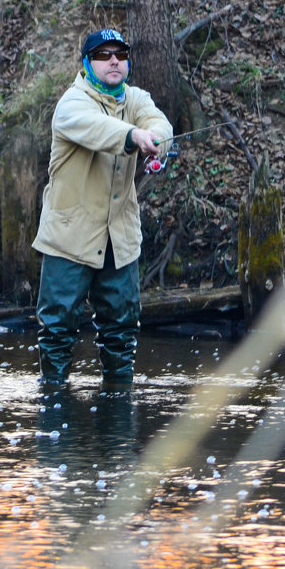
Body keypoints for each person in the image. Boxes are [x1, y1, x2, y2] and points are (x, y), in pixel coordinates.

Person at [32, 29, 172, 386]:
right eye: (104, 54)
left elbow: (159, 123)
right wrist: (133, 136)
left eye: (121, 54)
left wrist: (156, 139)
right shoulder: (71, 104)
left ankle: (117, 407)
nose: (114, 60)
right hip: (69, 237)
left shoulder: (136, 98)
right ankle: (54, 401)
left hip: (119, 237)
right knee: (58, 327)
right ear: (87, 63)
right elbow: (96, 129)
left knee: (122, 328)